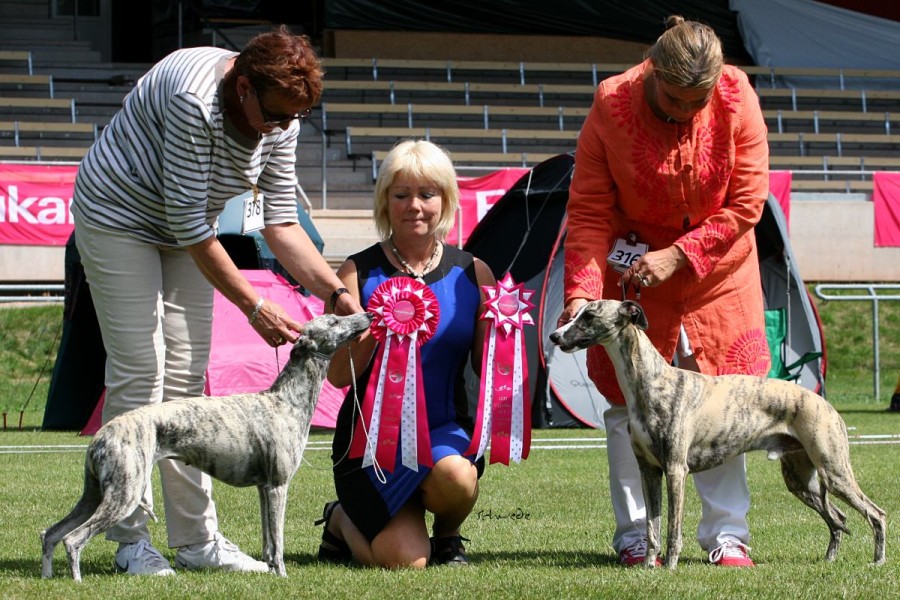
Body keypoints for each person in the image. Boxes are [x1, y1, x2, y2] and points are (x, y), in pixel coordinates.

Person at [70, 26, 363, 577]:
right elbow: (187, 225)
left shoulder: (283, 115)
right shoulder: (193, 100)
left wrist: (337, 292)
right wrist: (253, 305)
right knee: (140, 368)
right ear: (244, 88)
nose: (282, 129)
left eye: (293, 119)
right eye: (275, 115)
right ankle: (131, 540)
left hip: (187, 225)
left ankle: (197, 541)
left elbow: (280, 223)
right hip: (118, 215)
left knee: (187, 375)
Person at [557, 15, 770, 568]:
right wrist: (581, 294)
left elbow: (747, 202)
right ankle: (636, 537)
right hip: (635, 279)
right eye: (675, 99)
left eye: (697, 101)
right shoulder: (611, 103)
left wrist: (681, 255)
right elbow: (588, 212)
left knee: (722, 399)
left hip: (719, 275)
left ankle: (728, 536)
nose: (687, 112)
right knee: (631, 408)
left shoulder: (736, 94)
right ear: (651, 71)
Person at [317, 139, 496, 568]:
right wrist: (375, 331)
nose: (414, 206)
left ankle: (449, 537)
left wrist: (506, 342)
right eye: (401, 195)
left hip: (446, 433)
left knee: (456, 477)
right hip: (370, 446)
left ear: (445, 200)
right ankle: (340, 520)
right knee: (407, 563)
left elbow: (486, 367)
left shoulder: (475, 272)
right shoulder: (355, 272)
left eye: (426, 194)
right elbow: (338, 377)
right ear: (385, 201)